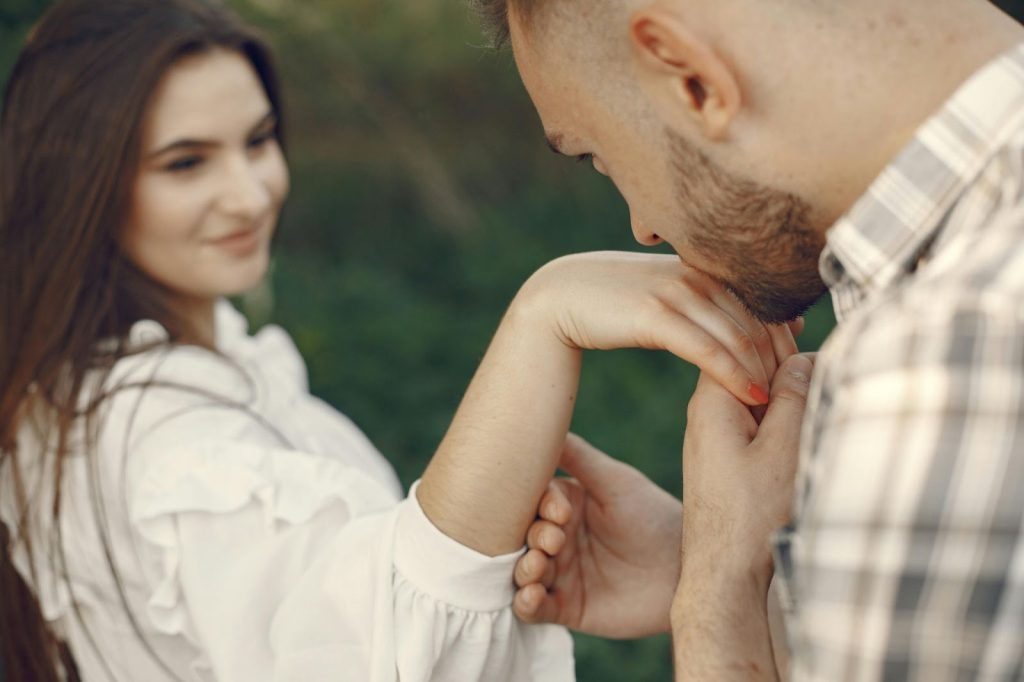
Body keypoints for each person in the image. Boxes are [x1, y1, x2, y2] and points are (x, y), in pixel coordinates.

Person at [0, 1, 801, 680]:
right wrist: (542, 317)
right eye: (185, 163)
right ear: (84, 182)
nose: (247, 193)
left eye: (258, 140)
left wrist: (693, 568)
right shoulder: (160, 441)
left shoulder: (205, 375)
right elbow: (363, 658)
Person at [485, 0, 1024, 679]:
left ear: (691, 80)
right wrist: (782, 570)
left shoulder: (943, 359)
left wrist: (718, 594)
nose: (642, 228)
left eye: (597, 155)